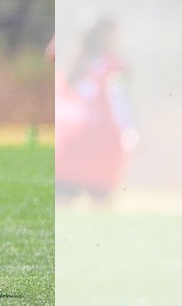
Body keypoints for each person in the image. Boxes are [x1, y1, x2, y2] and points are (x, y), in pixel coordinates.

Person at [54, 15, 138, 206]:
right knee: (101, 207)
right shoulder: (113, 67)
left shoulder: (70, 67)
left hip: (68, 144)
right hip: (101, 144)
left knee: (63, 204)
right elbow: (121, 103)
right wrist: (131, 133)